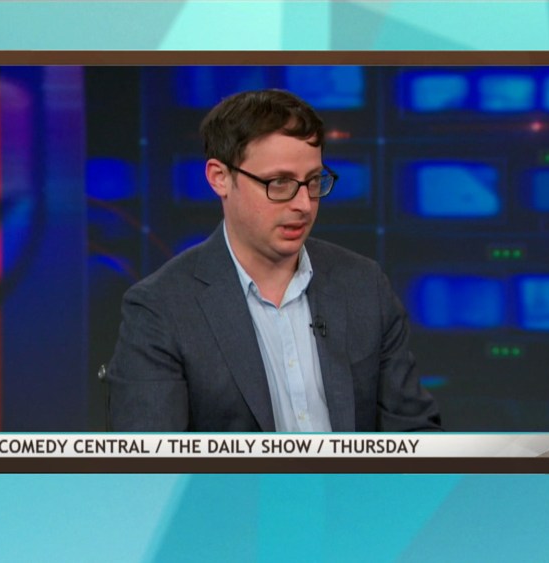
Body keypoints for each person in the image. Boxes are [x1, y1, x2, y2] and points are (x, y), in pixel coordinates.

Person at [107, 89, 441, 432]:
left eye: (313, 181)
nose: (304, 205)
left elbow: (416, 435)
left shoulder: (363, 284)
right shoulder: (160, 309)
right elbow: (151, 460)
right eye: (280, 183)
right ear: (220, 178)